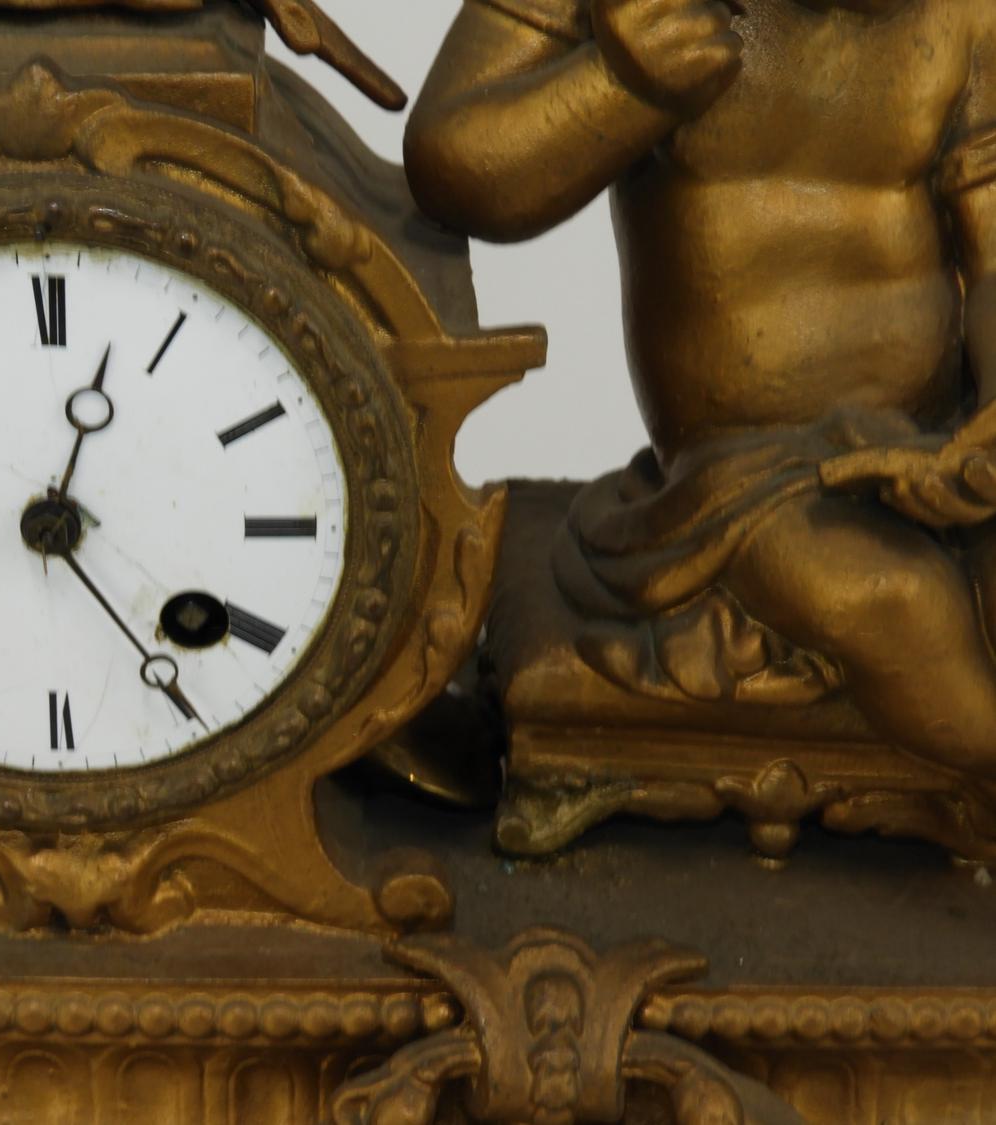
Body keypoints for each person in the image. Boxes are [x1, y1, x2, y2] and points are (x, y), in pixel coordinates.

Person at [405, 0, 996, 777]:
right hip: (742, 473)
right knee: (895, 597)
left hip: (939, 445)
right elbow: (453, 161)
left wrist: (988, 418)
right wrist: (621, 86)